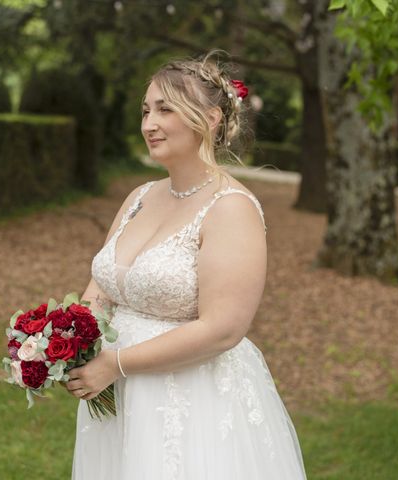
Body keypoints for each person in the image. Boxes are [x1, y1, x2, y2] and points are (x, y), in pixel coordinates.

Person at [64, 51, 307, 479]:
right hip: (117, 397)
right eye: (145, 110)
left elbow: (223, 329)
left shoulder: (230, 209)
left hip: (189, 403)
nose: (148, 124)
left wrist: (116, 363)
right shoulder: (138, 197)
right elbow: (101, 288)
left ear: (210, 118)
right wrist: (62, 339)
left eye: (165, 109)